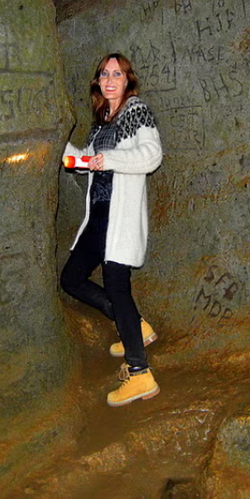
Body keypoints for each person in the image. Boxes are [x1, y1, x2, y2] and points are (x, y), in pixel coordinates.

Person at [60, 53, 163, 407]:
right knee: (71, 278)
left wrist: (112, 161)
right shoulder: (103, 120)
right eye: (104, 73)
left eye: (117, 74)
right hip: (100, 214)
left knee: (117, 285)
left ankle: (140, 373)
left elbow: (151, 155)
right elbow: (89, 161)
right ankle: (135, 324)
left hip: (120, 215)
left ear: (127, 80)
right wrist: (62, 149)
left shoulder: (135, 111)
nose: (109, 79)